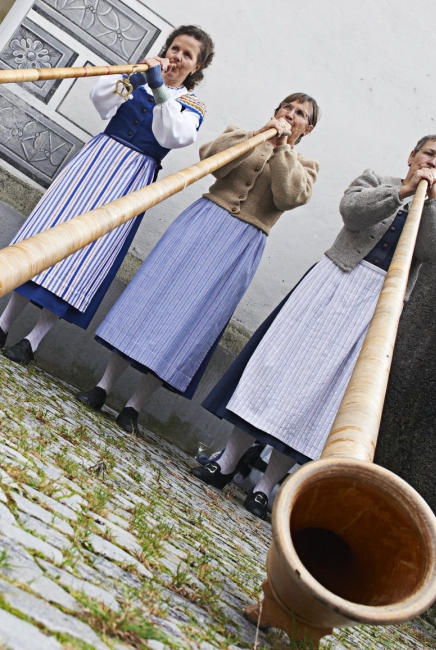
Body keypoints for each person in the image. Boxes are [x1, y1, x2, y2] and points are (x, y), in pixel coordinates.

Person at [193, 134, 436, 519]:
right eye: (428, 154)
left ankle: (266, 488)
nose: (433, 162)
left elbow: (432, 248)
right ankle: (226, 462)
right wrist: (401, 191)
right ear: (412, 156)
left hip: (377, 304)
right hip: (333, 280)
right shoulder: (376, 180)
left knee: (317, 393)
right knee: (276, 367)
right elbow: (353, 212)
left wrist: (427, 200)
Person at [75, 93, 320, 433]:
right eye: (287, 108)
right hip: (203, 221)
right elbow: (211, 162)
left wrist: (282, 149)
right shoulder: (243, 133)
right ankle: (103, 386)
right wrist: (259, 135)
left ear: (307, 128)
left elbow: (288, 196)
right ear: (275, 110)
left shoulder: (304, 167)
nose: (291, 115)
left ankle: (134, 406)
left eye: (300, 114)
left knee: (188, 320)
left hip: (241, 242)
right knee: (151, 298)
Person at [0, 25, 214, 364]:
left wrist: (159, 85)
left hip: (132, 177)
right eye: (175, 48)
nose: (177, 57)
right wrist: (137, 76)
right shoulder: (137, 74)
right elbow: (101, 101)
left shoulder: (190, 105)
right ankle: (4, 322)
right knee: (48, 233)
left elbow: (171, 134)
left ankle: (32, 341)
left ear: (197, 67)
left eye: (187, 55)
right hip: (97, 159)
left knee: (87, 251)